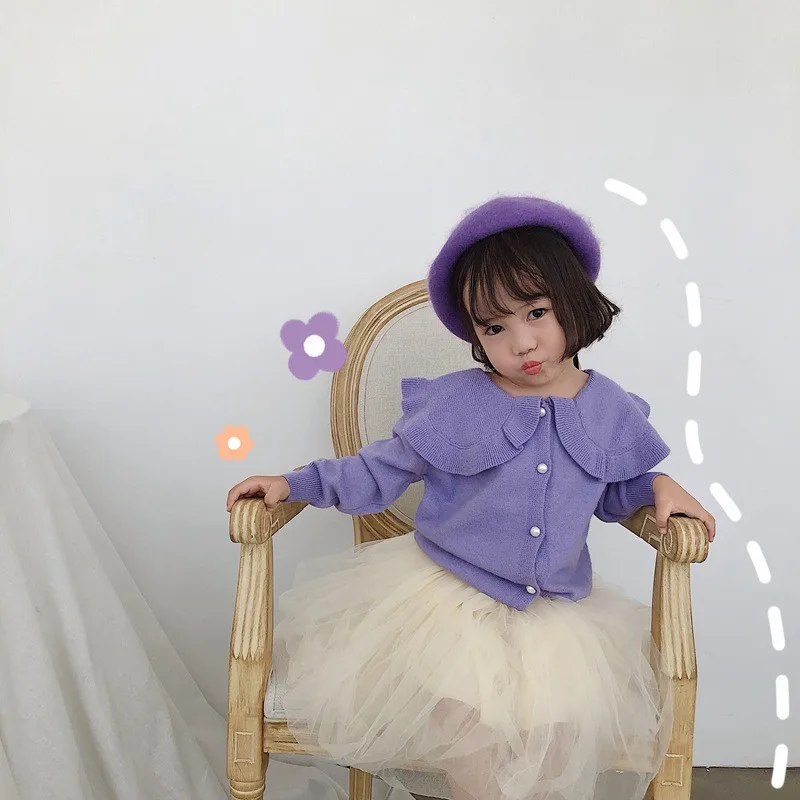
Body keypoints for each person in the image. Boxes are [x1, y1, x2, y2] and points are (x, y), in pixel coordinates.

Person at [227, 196, 716, 800]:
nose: (522, 342)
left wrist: (658, 485)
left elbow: (615, 491)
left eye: (537, 312)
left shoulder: (610, 408)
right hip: (448, 604)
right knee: (472, 734)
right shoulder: (457, 402)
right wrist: (295, 483)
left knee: (555, 742)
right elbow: (378, 469)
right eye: (494, 327)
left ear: (573, 301)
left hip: (554, 617)